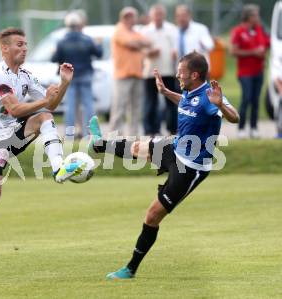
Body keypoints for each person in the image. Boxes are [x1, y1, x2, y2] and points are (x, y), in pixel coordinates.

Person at [88, 52, 239, 280]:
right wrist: (166, 92)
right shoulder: (190, 92)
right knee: (139, 147)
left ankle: (130, 269)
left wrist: (222, 106)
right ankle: (99, 145)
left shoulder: (211, 97)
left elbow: (234, 117)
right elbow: (187, 103)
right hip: (176, 148)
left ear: (195, 75)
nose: (177, 75)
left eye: (181, 72)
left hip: (189, 168)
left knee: (152, 216)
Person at [0, 28, 85, 277]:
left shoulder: (25, 76)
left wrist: (64, 84)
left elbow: (52, 105)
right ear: (4, 48)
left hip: (9, 135)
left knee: (45, 117)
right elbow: (15, 109)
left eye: (26, 44)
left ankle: (58, 168)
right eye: (19, 44)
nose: (24, 48)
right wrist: (45, 100)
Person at [51, 11, 102, 138]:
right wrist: (98, 44)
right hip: (85, 75)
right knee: (88, 105)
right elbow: (99, 54)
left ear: (67, 25)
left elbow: (54, 58)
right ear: (79, 24)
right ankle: (89, 134)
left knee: (70, 106)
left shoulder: (61, 41)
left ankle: (69, 135)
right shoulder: (87, 39)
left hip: (69, 77)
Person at [109, 7, 151, 136]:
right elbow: (131, 43)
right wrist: (139, 44)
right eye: (127, 16)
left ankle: (133, 135)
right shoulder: (119, 29)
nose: (130, 19)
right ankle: (115, 135)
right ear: (123, 18)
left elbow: (148, 42)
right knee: (119, 107)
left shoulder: (135, 32)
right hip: (123, 75)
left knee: (135, 108)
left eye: (132, 16)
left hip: (137, 74)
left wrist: (138, 44)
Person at [231, 4, 270, 139]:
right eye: (256, 15)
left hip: (258, 71)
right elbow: (233, 51)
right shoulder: (238, 31)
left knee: (255, 100)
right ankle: (241, 128)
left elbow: (267, 44)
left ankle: (254, 128)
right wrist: (253, 52)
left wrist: (263, 53)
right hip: (245, 73)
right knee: (246, 99)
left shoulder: (259, 30)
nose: (258, 18)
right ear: (249, 16)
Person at [141, 4, 179, 136]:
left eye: (160, 14)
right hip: (150, 72)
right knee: (151, 102)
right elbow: (141, 51)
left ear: (164, 15)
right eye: (155, 15)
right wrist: (149, 52)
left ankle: (172, 129)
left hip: (168, 71)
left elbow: (176, 47)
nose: (158, 17)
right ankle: (151, 130)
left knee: (171, 102)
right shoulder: (145, 31)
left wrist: (175, 53)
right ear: (151, 16)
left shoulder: (172, 29)